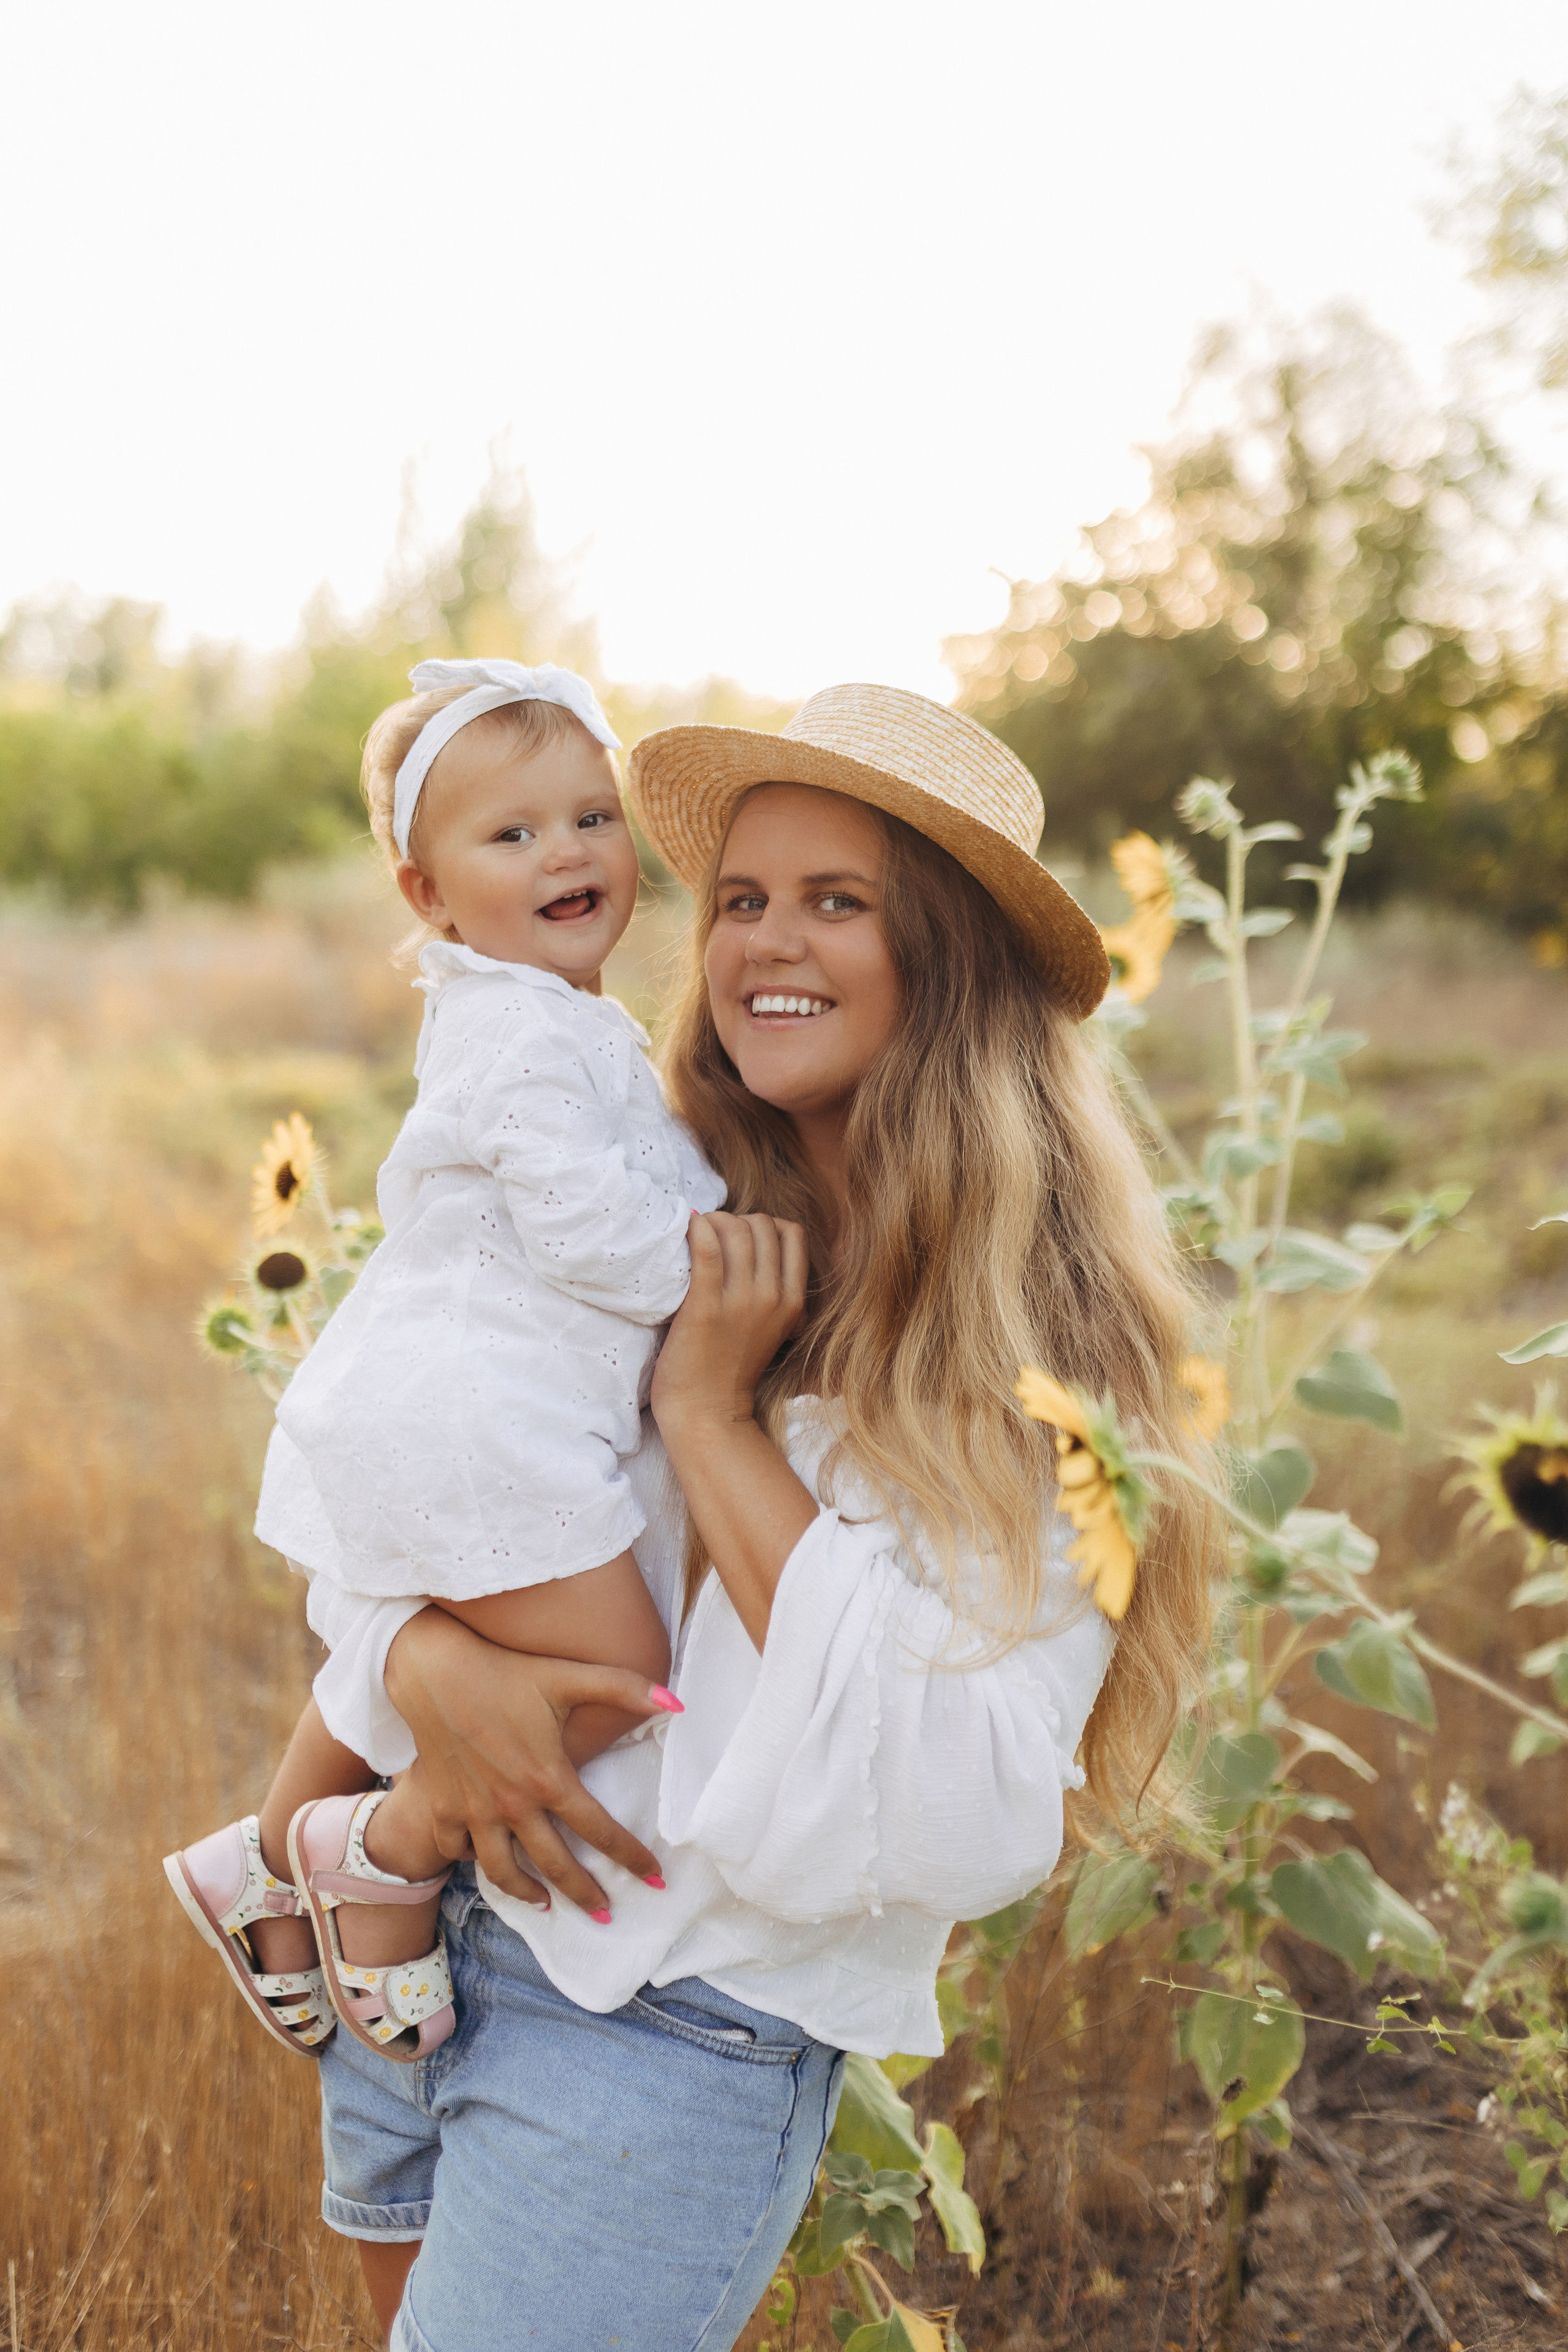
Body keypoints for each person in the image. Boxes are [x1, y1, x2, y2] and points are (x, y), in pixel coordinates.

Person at [309, 684, 1216, 2352]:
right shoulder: (660, 1211)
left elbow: (962, 1799)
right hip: (430, 1952)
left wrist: (710, 1420)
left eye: (836, 899)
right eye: (740, 897)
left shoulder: (1059, 1374)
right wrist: (422, 1663)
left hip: (659, 2039)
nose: (762, 943)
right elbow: (415, 1460)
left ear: (949, 962)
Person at [163, 657, 723, 2064]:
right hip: (484, 1412)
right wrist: (724, 1268)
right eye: (511, 833)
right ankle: (389, 1847)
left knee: (450, 1630)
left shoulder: (543, 1011)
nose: (566, 853)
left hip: (453, 1394)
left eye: (590, 817)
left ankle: (263, 1858)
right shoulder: (518, 1031)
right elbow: (589, 1231)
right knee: (618, 1666)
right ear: (427, 894)